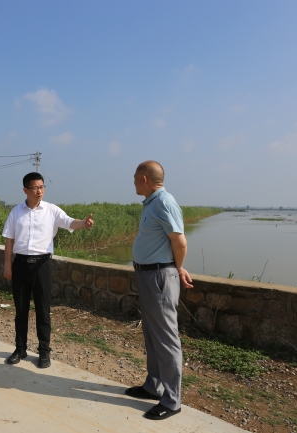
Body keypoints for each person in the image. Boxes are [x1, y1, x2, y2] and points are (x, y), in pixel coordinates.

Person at [2, 172, 94, 368]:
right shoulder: (16, 213)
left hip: (42, 265)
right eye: (35, 187)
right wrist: (8, 265)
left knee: (43, 309)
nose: (39, 191)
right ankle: (20, 349)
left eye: (42, 187)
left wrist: (83, 223)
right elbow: (9, 240)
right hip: (20, 265)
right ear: (25, 190)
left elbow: (69, 222)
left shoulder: (51, 210)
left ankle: (44, 351)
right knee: (21, 310)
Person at [124, 161, 193, 421]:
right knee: (152, 334)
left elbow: (180, 242)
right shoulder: (152, 203)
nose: (133, 182)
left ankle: (172, 401)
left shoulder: (164, 202)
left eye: (135, 178)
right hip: (149, 274)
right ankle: (154, 386)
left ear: (144, 179)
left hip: (159, 276)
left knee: (165, 337)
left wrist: (177, 268)